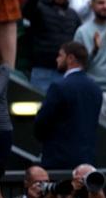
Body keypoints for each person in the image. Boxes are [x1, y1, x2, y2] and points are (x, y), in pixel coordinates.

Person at [33, 41, 102, 169]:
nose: (57, 59)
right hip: (87, 160)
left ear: (70, 58)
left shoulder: (59, 87)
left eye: (60, 55)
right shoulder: (96, 89)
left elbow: (42, 122)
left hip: (58, 160)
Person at [23, 0, 81, 93]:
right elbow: (26, 12)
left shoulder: (73, 15)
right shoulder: (39, 7)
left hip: (65, 71)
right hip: (41, 70)